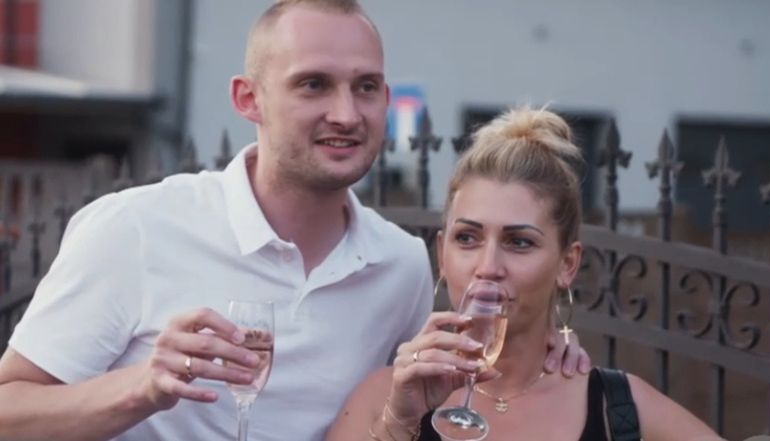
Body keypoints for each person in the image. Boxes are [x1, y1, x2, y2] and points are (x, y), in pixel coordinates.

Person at [0, 2, 587, 441]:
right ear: (247, 99)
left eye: (365, 87)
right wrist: (142, 388)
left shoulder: (401, 263)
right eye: (313, 85)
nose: (346, 113)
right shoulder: (136, 227)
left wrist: (549, 345)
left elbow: (413, 400)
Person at [326, 106, 721, 441]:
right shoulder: (384, 397)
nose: (488, 267)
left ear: (567, 264)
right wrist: (399, 423)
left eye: (519, 242)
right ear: (442, 255)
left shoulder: (619, 408)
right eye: (468, 238)